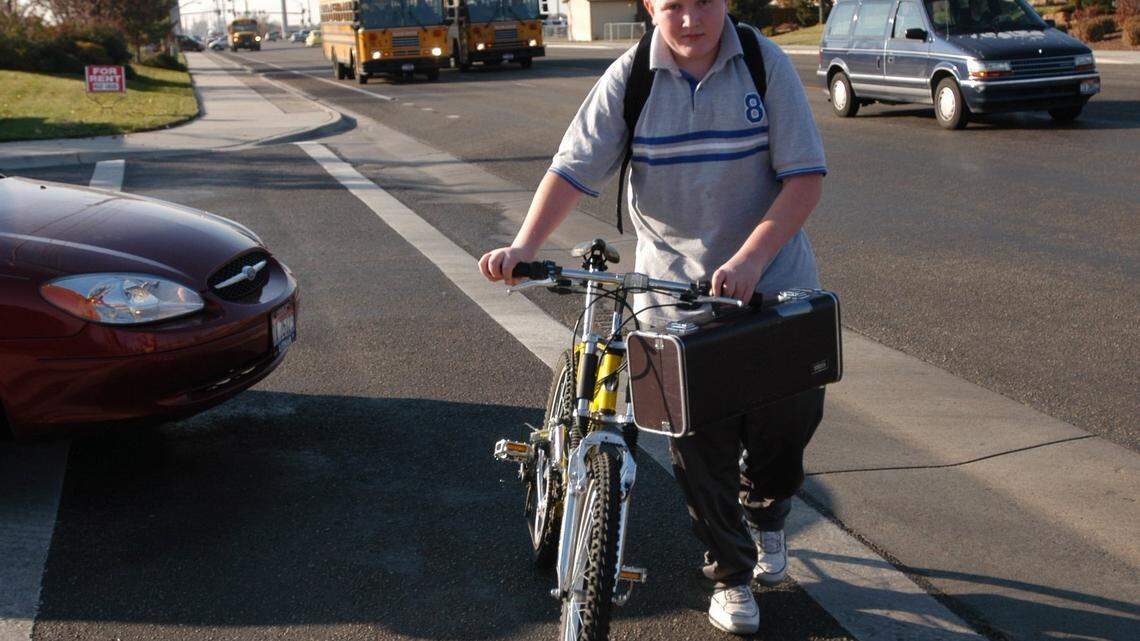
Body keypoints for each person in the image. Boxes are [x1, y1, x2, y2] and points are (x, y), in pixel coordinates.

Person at [478, 0, 827, 634]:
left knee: (789, 422)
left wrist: (750, 261)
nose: (690, 20)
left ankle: (768, 512)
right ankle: (731, 573)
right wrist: (524, 248)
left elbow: (803, 179)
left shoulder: (762, 62)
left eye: (702, 3)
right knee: (701, 444)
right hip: (672, 296)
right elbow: (573, 168)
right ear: (649, 6)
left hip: (772, 280)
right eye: (672, 6)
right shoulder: (631, 75)